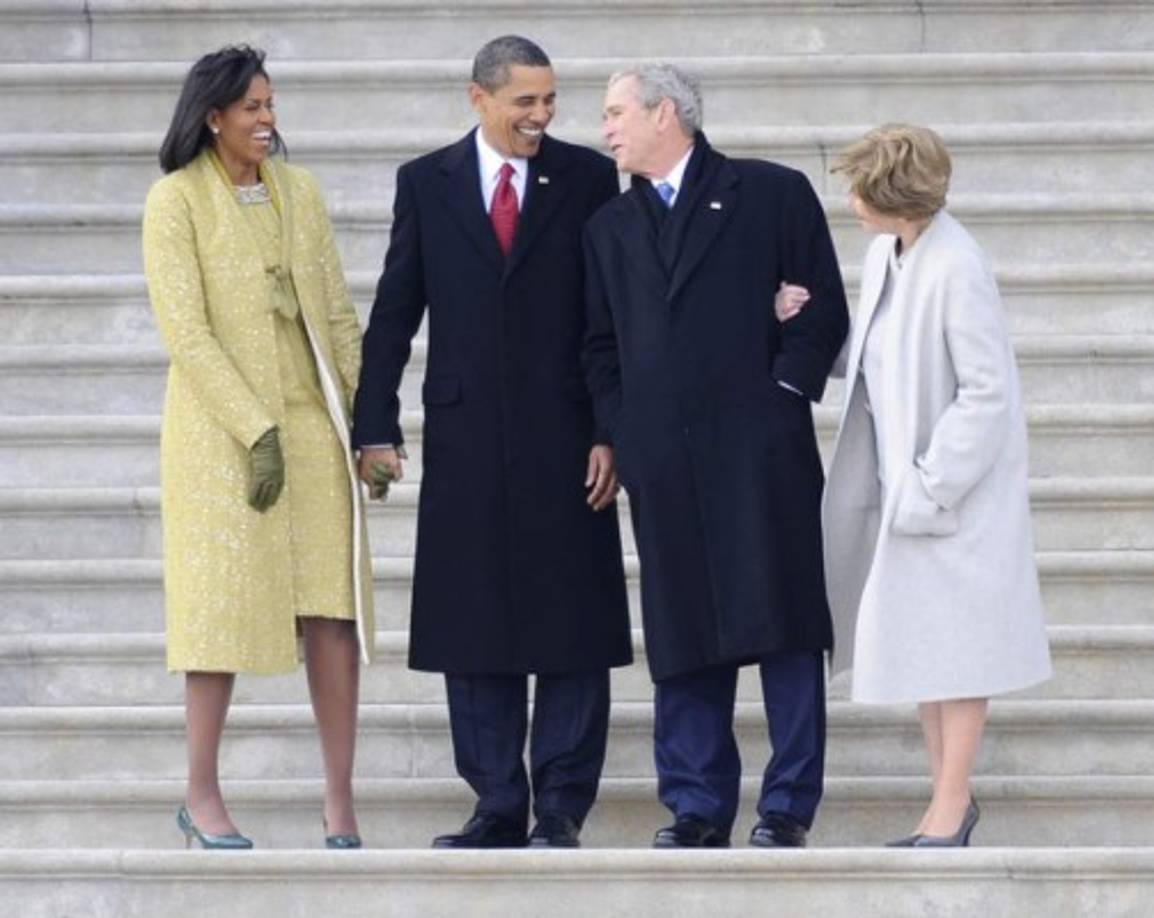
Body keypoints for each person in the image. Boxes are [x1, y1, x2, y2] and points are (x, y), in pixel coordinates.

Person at [352, 35, 631, 849]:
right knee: (473, 624)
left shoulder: (586, 176)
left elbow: (606, 313)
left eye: (550, 101)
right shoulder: (426, 183)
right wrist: (376, 422)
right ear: (479, 98)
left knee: (572, 625)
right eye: (525, 102)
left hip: (568, 433)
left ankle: (563, 808)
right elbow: (396, 310)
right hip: (467, 434)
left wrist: (611, 429)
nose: (541, 117)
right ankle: (497, 804)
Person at [582, 64, 848, 849]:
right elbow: (601, 347)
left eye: (615, 112)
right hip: (663, 459)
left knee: (788, 626)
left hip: (761, 449)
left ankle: (788, 806)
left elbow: (821, 305)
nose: (606, 130)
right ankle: (696, 805)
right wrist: (626, 435)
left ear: (666, 114)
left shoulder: (772, 193)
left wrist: (784, 393)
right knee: (683, 629)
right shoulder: (608, 229)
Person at [142, 45, 374, 850]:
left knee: (332, 613)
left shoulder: (298, 194)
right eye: (252, 108)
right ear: (213, 117)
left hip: (312, 428)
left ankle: (339, 804)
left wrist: (367, 419)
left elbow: (338, 313)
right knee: (218, 615)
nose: (267, 120)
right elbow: (188, 334)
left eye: (271, 105)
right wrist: (254, 428)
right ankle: (200, 796)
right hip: (220, 438)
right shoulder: (174, 204)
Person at [812, 123, 1052, 846]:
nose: (851, 198)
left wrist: (931, 483)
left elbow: (987, 393)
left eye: (862, 185)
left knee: (960, 650)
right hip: (903, 492)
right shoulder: (889, 252)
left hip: (952, 498)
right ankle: (942, 803)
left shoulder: (957, 265)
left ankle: (953, 805)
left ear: (894, 192)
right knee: (923, 646)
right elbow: (879, 352)